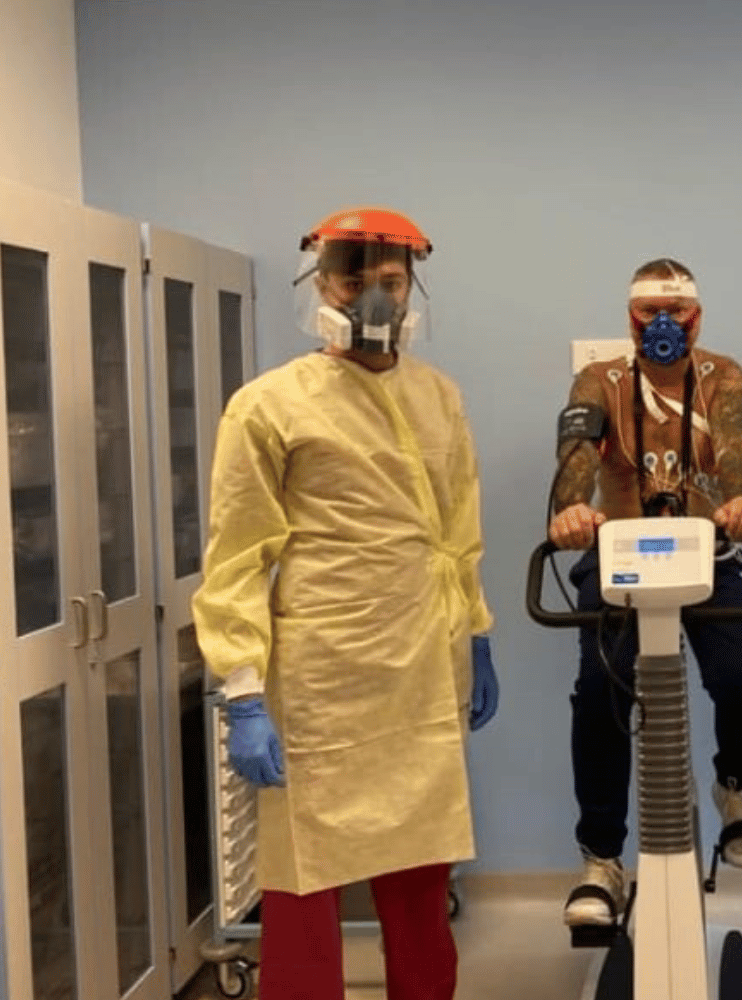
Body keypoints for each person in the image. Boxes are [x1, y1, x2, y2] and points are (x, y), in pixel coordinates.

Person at [192, 206, 499, 1000]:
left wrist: (477, 631)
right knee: (304, 887)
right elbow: (235, 557)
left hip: (421, 670)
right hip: (321, 678)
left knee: (421, 883)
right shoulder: (269, 404)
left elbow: (459, 530)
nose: (373, 298)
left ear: (411, 289)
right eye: (353, 280)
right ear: (322, 284)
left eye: (390, 282)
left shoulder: (439, 397)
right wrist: (242, 690)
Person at [547, 258, 742, 928]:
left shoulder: (721, 375)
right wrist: (568, 512)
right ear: (631, 319)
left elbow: (736, 453)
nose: (664, 324)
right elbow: (577, 457)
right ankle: (600, 858)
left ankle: (733, 785)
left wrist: (741, 505)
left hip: (706, 548)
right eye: (651, 312)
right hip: (619, 549)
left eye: (677, 310)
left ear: (698, 316)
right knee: (601, 690)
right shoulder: (602, 380)